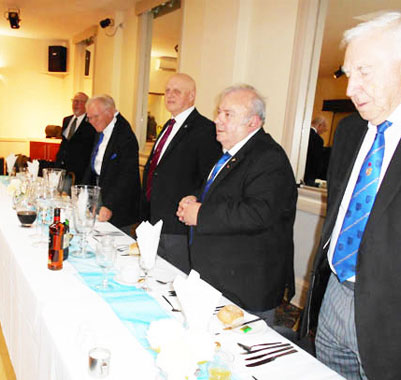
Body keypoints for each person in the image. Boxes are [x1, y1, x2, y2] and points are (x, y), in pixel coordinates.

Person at [296, 12, 401, 379]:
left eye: (364, 71)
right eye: (348, 74)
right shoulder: (347, 132)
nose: (349, 89)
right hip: (335, 298)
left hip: (400, 320)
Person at [174, 84, 296, 332]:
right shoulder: (230, 153)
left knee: (242, 357)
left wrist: (201, 213)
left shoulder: (268, 157)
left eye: (228, 115)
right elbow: (221, 192)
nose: (217, 119)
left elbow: (258, 213)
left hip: (245, 285)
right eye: (219, 112)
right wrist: (193, 199)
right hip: (219, 276)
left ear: (252, 122)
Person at [143, 73, 221, 273]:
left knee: (173, 280)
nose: (170, 95)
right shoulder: (168, 127)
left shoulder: (205, 130)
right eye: (167, 90)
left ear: (191, 96)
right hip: (155, 219)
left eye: (177, 91)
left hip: (178, 226)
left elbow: (209, 179)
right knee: (153, 275)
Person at [80, 95, 141, 231]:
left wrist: (109, 205)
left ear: (110, 112)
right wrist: (82, 192)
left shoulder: (125, 135)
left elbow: (127, 176)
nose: (91, 121)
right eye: (89, 118)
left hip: (118, 205)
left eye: (95, 117)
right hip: (100, 196)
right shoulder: (102, 127)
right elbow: (93, 164)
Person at [56, 93, 96, 175]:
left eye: (79, 102)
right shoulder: (67, 120)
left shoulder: (90, 122)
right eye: (74, 101)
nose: (75, 104)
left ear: (86, 105)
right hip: (61, 166)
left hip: (79, 170)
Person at [303, 115, 330, 185]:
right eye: (323, 130)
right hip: (309, 175)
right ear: (320, 125)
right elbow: (316, 161)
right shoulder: (318, 140)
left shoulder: (302, 134)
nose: (322, 133)